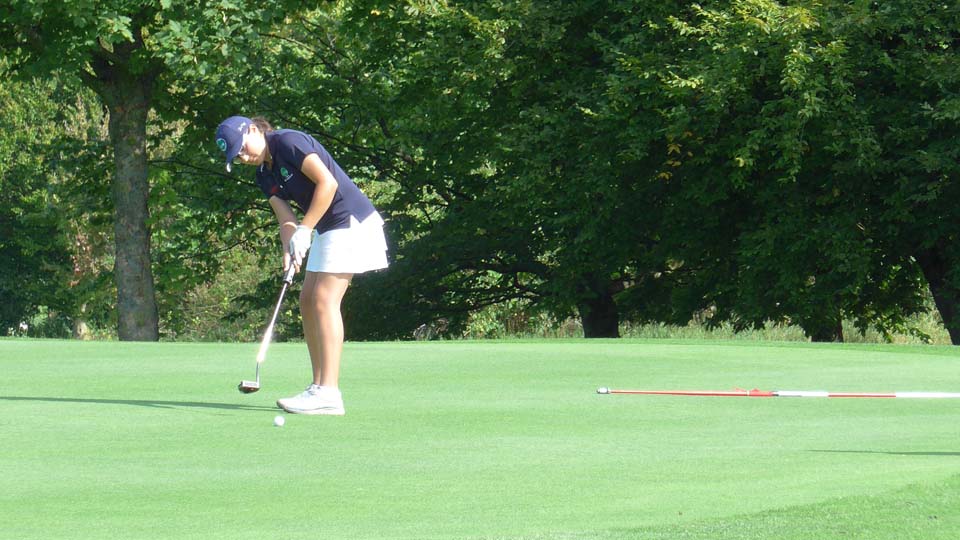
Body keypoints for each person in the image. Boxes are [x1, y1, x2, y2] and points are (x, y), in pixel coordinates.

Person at [215, 116, 388, 415]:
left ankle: (329, 392)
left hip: (349, 220)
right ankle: (318, 386)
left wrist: (305, 231)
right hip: (325, 227)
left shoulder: (288, 141)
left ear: (254, 131)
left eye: (242, 147)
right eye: (237, 155)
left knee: (323, 300)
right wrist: (289, 248)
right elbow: (285, 219)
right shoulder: (263, 174)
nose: (243, 156)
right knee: (307, 300)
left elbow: (328, 183)